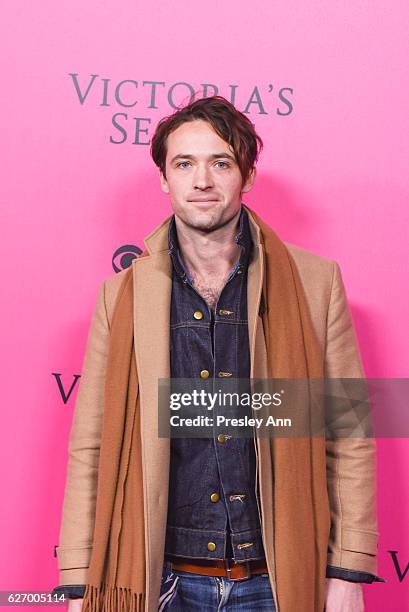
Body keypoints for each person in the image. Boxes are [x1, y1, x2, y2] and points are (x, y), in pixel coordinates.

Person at [52, 95, 382, 611]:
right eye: (184, 164)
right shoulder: (121, 296)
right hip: (159, 579)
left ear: (246, 175)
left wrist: (347, 573)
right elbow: (91, 446)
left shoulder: (316, 284)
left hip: (277, 577)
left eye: (220, 162)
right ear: (164, 179)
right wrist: (78, 581)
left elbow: (350, 435)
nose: (201, 180)